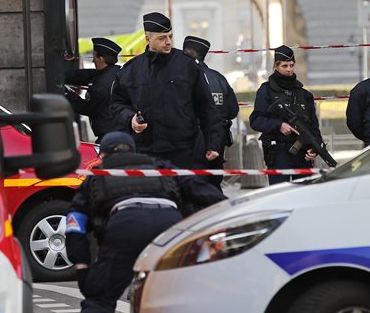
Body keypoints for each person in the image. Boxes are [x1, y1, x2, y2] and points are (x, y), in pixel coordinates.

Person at [52, 131, 224, 313]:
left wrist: (83, 267)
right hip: (169, 228)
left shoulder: (97, 177)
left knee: (100, 298)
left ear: (104, 155)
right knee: (166, 297)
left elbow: (75, 225)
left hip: (124, 226)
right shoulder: (161, 168)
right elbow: (204, 192)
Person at [108, 12, 222, 170]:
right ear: (148, 39)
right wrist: (131, 119)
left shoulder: (187, 65)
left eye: (170, 36)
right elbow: (117, 105)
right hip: (146, 153)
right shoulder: (131, 70)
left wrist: (213, 143)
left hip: (183, 152)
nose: (168, 42)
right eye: (162, 38)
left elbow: (206, 107)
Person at [249, 45, 324, 184]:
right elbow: (255, 120)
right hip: (278, 151)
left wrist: (315, 148)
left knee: (303, 193)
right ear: (276, 66)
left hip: (302, 152)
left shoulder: (303, 94)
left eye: (291, 65)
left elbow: (313, 126)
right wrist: (279, 125)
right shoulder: (266, 91)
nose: (289, 69)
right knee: (278, 194)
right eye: (284, 66)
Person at [182, 35, 239, 189]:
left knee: (192, 185)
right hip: (217, 139)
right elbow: (233, 110)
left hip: (191, 140)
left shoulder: (182, 77)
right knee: (213, 183)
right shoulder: (219, 78)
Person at [64, 37, 122, 140]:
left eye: (94, 57)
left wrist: (68, 95)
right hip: (118, 129)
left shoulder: (100, 86)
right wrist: (65, 76)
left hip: (109, 135)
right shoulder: (116, 73)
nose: (92, 60)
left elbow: (87, 108)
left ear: (101, 59)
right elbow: (88, 75)